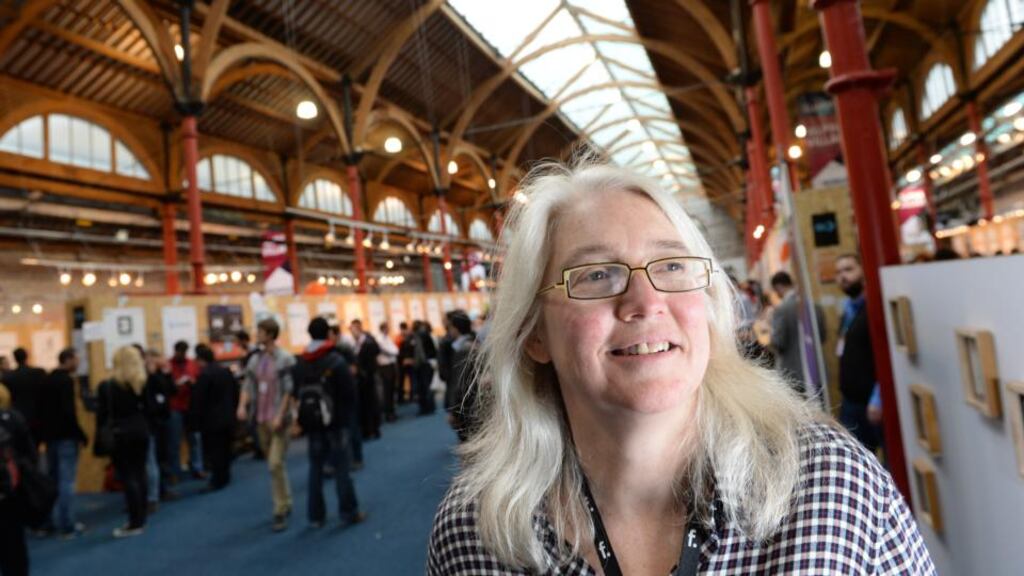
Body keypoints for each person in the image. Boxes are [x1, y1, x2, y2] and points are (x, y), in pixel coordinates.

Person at [427, 162, 934, 575]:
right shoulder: (476, 535)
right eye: (597, 275)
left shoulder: (830, 485)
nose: (646, 302)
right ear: (534, 333)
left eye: (671, 266)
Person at [292, 317, 366, 529]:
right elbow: (349, 392)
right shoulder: (335, 360)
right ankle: (348, 512)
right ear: (327, 334)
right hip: (336, 422)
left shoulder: (302, 360)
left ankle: (316, 516)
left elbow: (297, 390)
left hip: (312, 423)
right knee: (342, 467)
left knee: (315, 468)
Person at [237, 318, 296, 532]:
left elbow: (289, 390)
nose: (257, 335)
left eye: (260, 331)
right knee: (276, 465)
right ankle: (286, 500)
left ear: (270, 334)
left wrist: (281, 415)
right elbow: (248, 384)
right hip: (261, 418)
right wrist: (242, 406)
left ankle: (279, 510)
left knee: (274, 463)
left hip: (279, 419)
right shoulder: (256, 359)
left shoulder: (285, 358)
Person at [97, 346, 150, 538]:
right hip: (141, 431)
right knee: (140, 472)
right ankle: (141, 516)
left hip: (121, 433)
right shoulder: (142, 383)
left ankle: (134, 521)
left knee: (128, 476)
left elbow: (102, 415)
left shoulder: (108, 386)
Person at [835, 253, 883, 453]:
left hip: (870, 404)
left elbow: (883, 356)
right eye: (838, 272)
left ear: (862, 271)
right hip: (851, 402)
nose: (843, 276)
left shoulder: (873, 308)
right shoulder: (848, 310)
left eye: (849, 269)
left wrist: (877, 398)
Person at [38, 348, 88, 538]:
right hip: (66, 437)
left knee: (52, 480)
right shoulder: (66, 381)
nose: (78, 363)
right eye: (76, 359)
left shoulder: (47, 379)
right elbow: (69, 412)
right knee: (67, 481)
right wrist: (80, 434)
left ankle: (48, 521)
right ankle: (67, 524)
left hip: (50, 438)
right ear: (68, 359)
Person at [769, 271, 826, 396]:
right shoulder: (815, 307)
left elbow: (779, 342)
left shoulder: (781, 310)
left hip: (793, 374)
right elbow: (821, 337)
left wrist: (771, 335)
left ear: (779, 287)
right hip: (817, 371)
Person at [1, 383, 37, 576]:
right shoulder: (13, 418)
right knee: (14, 549)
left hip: (9, 489)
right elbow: (29, 454)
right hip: (11, 493)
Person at [191, 344, 237, 491]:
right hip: (228, 416)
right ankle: (225, 476)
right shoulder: (225, 371)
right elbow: (235, 392)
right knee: (225, 448)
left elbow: (198, 400)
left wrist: (194, 421)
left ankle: (217, 480)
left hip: (211, 419)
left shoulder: (204, 376)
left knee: (215, 451)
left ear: (200, 360)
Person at [142, 348, 177, 511]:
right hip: (153, 422)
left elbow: (171, 391)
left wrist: (168, 374)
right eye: (159, 357)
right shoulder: (148, 377)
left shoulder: (161, 375)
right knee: (153, 459)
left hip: (163, 420)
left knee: (162, 455)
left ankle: (162, 488)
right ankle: (154, 494)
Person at [167, 341, 203, 482]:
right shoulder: (168, 365)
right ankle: (175, 472)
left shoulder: (192, 364)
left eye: (184, 352)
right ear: (175, 351)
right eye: (179, 352)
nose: (181, 355)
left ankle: (197, 468)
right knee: (174, 442)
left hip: (190, 406)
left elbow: (199, 382)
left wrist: (192, 383)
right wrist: (175, 384)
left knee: (194, 438)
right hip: (175, 407)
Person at [442, 310, 478, 442]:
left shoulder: (463, 349)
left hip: (467, 406)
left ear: (456, 328)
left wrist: (453, 411)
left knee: (468, 442)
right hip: (474, 403)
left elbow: (459, 383)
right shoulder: (475, 342)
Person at [4, 348, 47, 443]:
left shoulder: (9, 377)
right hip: (37, 416)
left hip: (18, 416)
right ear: (27, 356)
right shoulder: (39, 373)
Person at [349, 319, 381, 440]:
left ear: (359, 328)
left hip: (369, 377)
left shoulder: (368, 341)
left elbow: (375, 353)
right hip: (360, 379)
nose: (352, 332)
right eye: (351, 330)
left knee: (371, 403)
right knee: (363, 405)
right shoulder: (355, 344)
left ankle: (374, 429)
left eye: (354, 329)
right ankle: (366, 430)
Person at [376, 322, 400, 423]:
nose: (388, 330)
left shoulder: (387, 338)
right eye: (387, 328)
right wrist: (394, 352)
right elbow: (391, 351)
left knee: (391, 390)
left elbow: (395, 350)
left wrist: (394, 352)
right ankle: (388, 413)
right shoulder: (380, 339)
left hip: (391, 365)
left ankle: (392, 411)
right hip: (384, 367)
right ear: (383, 329)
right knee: (387, 391)